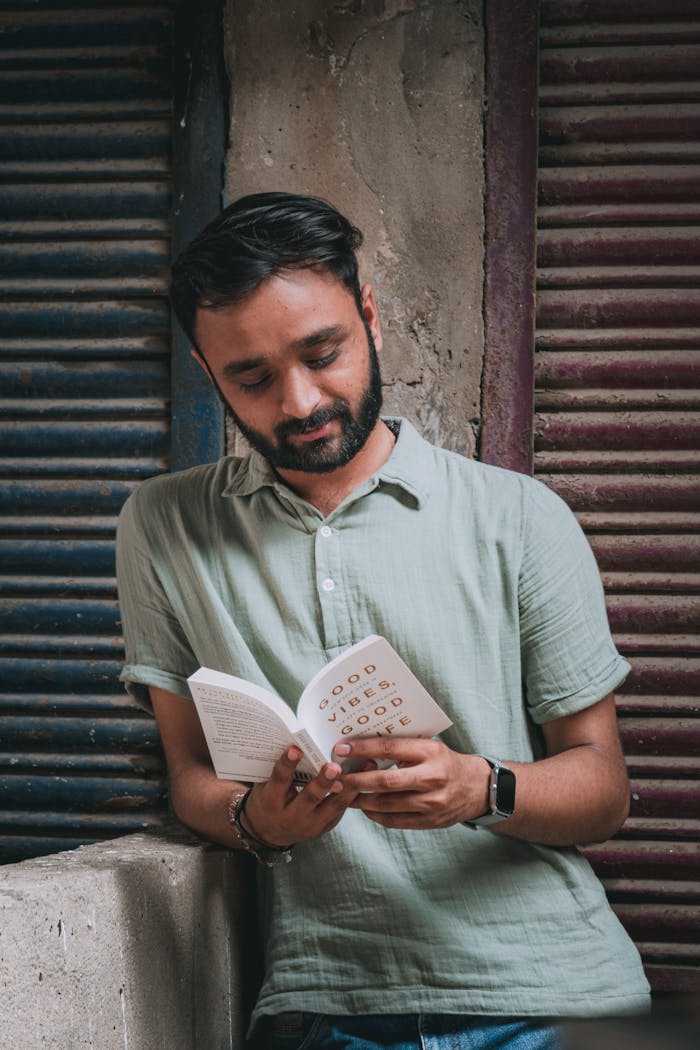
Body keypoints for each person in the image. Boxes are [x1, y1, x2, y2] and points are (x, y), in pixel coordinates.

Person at [116, 191, 650, 1049]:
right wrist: (260, 820)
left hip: (558, 997)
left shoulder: (517, 515)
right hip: (327, 1004)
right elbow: (190, 779)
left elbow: (603, 788)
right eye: (250, 378)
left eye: (323, 353)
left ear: (368, 313)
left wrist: (481, 787)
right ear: (205, 369)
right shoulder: (164, 525)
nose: (299, 402)